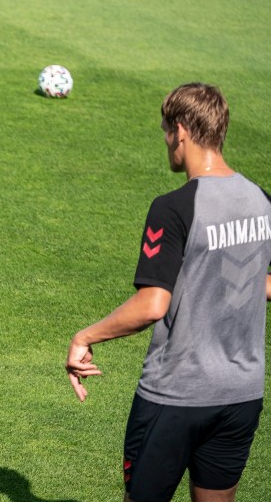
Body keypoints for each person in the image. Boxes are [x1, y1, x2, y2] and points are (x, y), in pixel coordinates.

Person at [66, 83, 271, 502]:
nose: (166, 144)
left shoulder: (174, 207)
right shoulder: (261, 201)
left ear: (180, 131)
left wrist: (84, 337)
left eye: (165, 132)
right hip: (242, 394)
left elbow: (151, 305)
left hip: (176, 394)